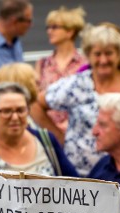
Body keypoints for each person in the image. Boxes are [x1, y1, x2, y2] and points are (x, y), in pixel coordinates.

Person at [33, 24, 120, 175]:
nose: (103, 60)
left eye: (109, 53)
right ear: (88, 55)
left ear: (119, 55)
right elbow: (36, 104)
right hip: (81, 174)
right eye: (97, 54)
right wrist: (58, 137)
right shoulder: (78, 84)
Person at [0, 82, 78, 178]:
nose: (15, 117)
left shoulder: (46, 141)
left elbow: (75, 186)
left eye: (20, 110)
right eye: (6, 111)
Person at [35, 6, 88, 134]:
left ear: (70, 32)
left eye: (54, 27)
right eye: (48, 27)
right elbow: (35, 99)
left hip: (78, 131)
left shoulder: (84, 63)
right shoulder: (42, 63)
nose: (49, 31)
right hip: (48, 131)